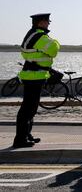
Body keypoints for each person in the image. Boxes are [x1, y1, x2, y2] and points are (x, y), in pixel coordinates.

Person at [15, 13, 61, 148]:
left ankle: (26, 135)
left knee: (31, 108)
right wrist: (56, 42)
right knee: (28, 109)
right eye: (47, 21)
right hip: (33, 76)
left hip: (35, 75)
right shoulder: (39, 36)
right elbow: (53, 50)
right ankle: (20, 139)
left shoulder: (35, 34)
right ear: (40, 22)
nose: (49, 23)